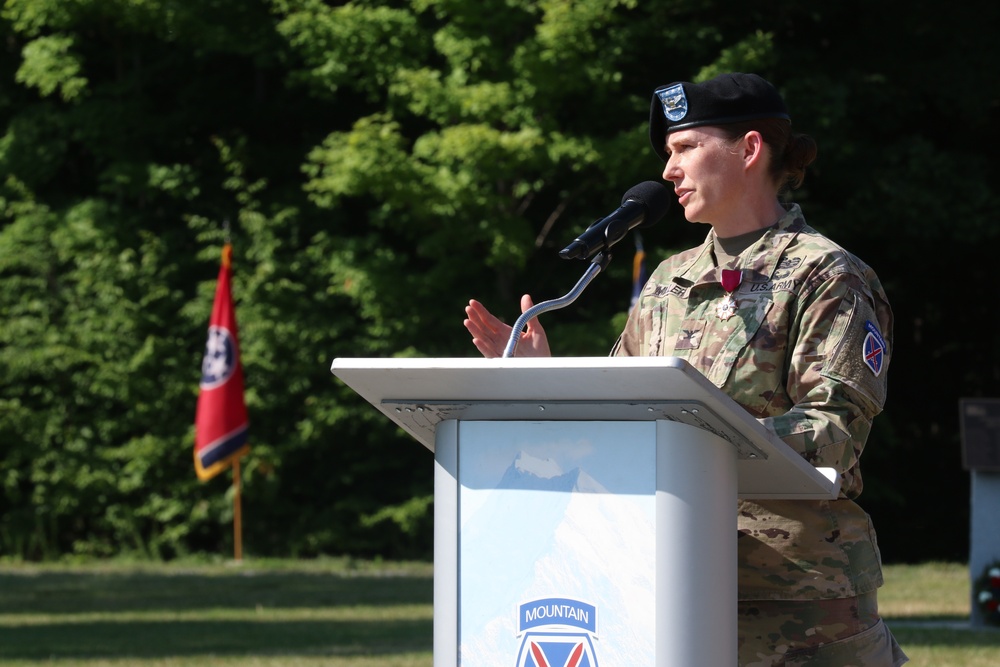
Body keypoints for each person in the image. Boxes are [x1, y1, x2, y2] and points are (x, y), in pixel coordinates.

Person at [464, 72, 908, 666]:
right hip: (663, 581)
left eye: (684, 149)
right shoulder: (670, 281)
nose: (669, 171)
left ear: (750, 149)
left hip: (795, 600)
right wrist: (550, 381)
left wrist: (688, 445)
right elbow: (623, 419)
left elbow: (833, 436)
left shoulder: (826, 276)